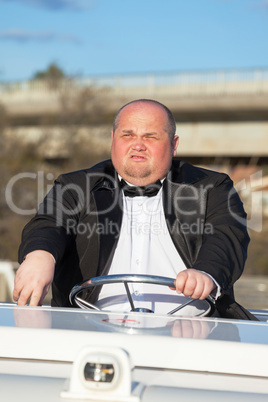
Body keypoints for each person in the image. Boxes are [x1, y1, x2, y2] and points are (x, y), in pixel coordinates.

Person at [13, 99, 255, 319]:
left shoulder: (213, 187)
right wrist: (39, 255)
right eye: (127, 135)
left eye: (150, 136)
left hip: (193, 330)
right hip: (89, 328)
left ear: (173, 145)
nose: (137, 145)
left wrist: (207, 272)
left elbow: (226, 236)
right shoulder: (74, 185)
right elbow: (49, 223)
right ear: (113, 139)